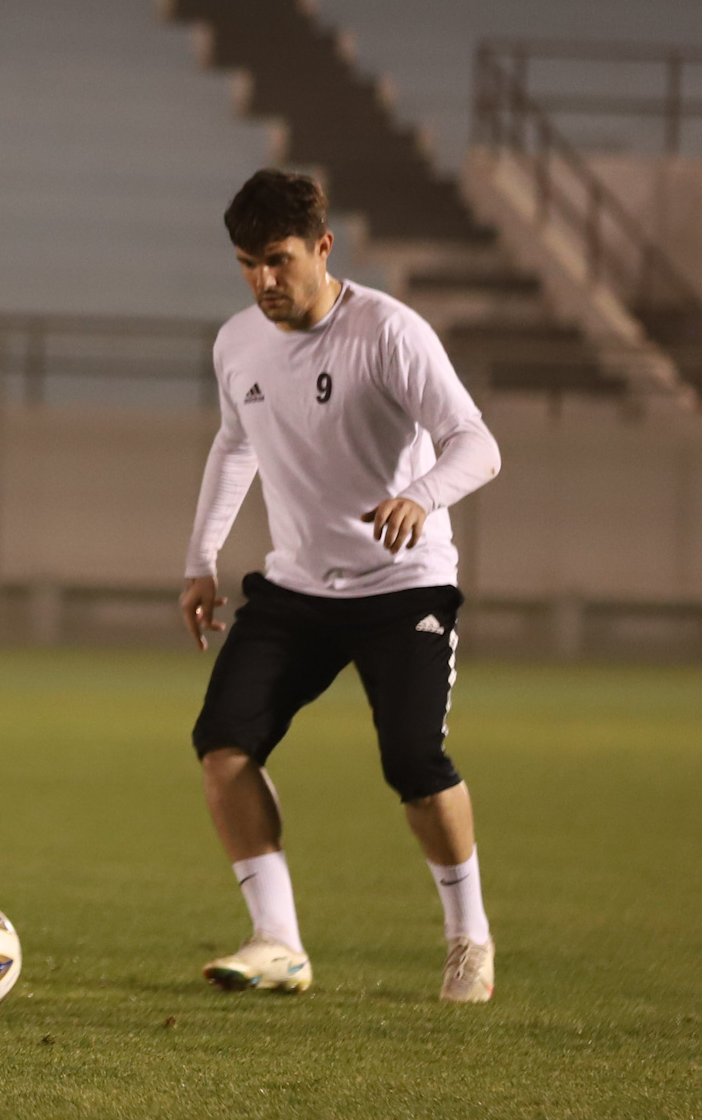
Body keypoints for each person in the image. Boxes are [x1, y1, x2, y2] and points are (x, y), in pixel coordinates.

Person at [179, 169, 503, 1003]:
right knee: (222, 748)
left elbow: (477, 442)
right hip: (296, 591)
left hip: (403, 588)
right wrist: (200, 559)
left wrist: (420, 494)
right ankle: (278, 942)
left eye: (279, 260)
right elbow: (233, 445)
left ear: (324, 248)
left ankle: (469, 937)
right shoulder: (237, 343)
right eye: (247, 262)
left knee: (413, 762)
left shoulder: (390, 333)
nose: (263, 281)